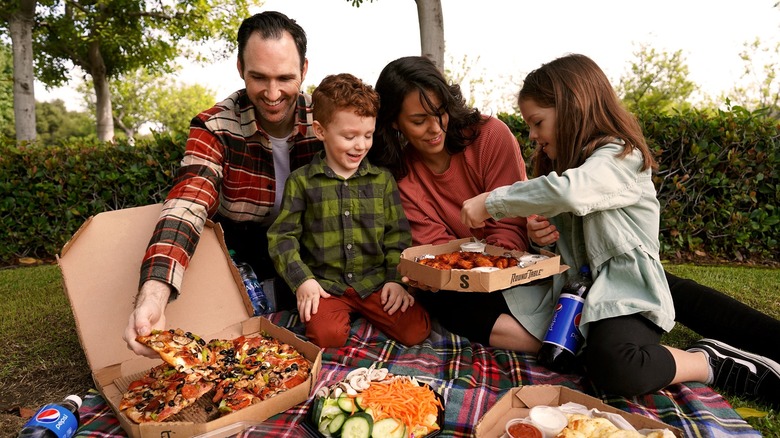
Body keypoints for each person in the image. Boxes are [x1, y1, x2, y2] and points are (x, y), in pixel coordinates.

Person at [460, 53, 780, 404]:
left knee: (617, 367)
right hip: (585, 286)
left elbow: (573, 191)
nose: (533, 135)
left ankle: (709, 361)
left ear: (572, 108)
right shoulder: (568, 165)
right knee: (460, 302)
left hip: (625, 283)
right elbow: (568, 225)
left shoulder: (620, 155)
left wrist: (491, 201)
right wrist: (542, 236)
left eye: (537, 122)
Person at [123, 11, 323, 357]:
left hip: (311, 243)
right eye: (258, 77)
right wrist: (153, 294)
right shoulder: (213, 126)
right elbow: (188, 203)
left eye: (285, 78)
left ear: (304, 70)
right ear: (240, 68)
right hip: (244, 245)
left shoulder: (327, 118)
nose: (273, 93)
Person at [368, 56, 547, 352]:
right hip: (461, 286)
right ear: (394, 123)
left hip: (512, 265)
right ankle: (548, 346)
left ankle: (546, 340)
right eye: (418, 120)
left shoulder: (491, 135)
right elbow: (436, 251)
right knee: (439, 298)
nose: (435, 128)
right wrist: (440, 276)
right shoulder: (399, 176)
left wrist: (488, 268)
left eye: (440, 113)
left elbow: (511, 226)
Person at [267, 73, 431, 348]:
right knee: (326, 338)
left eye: (368, 135)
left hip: (375, 283)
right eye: (349, 136)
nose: (361, 145)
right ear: (320, 131)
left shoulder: (382, 181)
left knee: (417, 331)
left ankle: (371, 312)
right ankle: (343, 316)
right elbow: (282, 238)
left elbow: (397, 237)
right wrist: (303, 281)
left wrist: (396, 282)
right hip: (327, 286)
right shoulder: (302, 181)